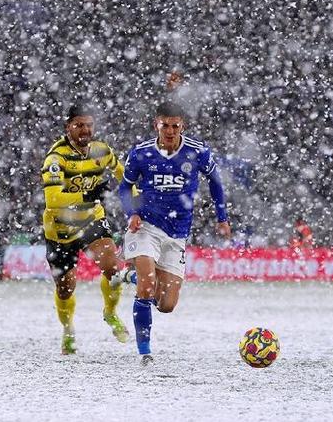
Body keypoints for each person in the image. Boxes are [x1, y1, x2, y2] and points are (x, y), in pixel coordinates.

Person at [118, 101, 231, 366]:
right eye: (164, 125)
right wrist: (131, 213)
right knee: (147, 287)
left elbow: (216, 183)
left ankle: (130, 276)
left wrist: (222, 218)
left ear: (183, 126)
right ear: (155, 124)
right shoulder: (140, 153)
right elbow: (125, 188)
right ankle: (144, 351)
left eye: (175, 126)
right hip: (144, 227)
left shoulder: (198, 152)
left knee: (167, 304)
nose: (169, 131)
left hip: (177, 233)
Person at [41, 103, 130, 354]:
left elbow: (124, 174)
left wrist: (138, 196)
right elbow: (53, 200)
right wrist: (86, 195)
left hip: (91, 220)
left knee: (113, 267)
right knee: (65, 287)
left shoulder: (102, 150)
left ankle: (110, 313)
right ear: (68, 127)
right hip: (60, 230)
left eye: (89, 124)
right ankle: (68, 330)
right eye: (79, 125)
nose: (85, 130)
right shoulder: (55, 158)